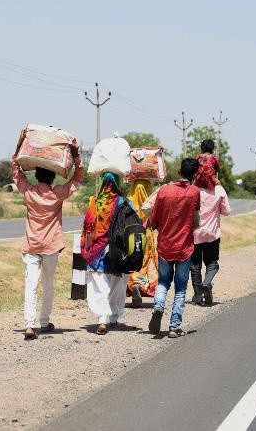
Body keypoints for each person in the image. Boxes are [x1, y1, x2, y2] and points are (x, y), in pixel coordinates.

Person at [11, 143, 83, 340]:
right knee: (48, 284)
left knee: (30, 284)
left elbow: (16, 171)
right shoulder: (57, 193)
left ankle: (29, 325)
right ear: (52, 177)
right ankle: (44, 321)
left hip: (32, 246)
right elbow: (77, 179)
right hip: (51, 247)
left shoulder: (29, 192)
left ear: (37, 176)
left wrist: (19, 146)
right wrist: (76, 157)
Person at [147, 159, 201, 338]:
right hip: (185, 247)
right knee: (180, 288)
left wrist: (154, 224)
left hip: (165, 245)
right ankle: (174, 327)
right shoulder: (194, 192)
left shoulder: (164, 190)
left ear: (179, 172)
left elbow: (154, 217)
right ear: (194, 175)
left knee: (163, 282)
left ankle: (158, 307)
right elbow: (195, 215)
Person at [81, 172, 129, 335]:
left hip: (97, 252)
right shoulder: (122, 202)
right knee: (117, 285)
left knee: (99, 286)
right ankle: (114, 318)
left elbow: (88, 226)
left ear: (102, 183)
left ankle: (102, 320)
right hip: (117, 251)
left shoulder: (94, 202)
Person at [190, 175, 231, 305]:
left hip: (195, 234)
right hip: (212, 234)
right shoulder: (219, 190)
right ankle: (207, 283)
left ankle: (197, 296)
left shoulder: (192, 190)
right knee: (212, 263)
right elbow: (226, 211)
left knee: (195, 265)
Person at [126, 179, 158, 307]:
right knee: (144, 263)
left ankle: (134, 284)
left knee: (132, 260)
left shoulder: (128, 201)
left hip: (132, 235)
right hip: (147, 236)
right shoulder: (149, 203)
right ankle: (140, 285)